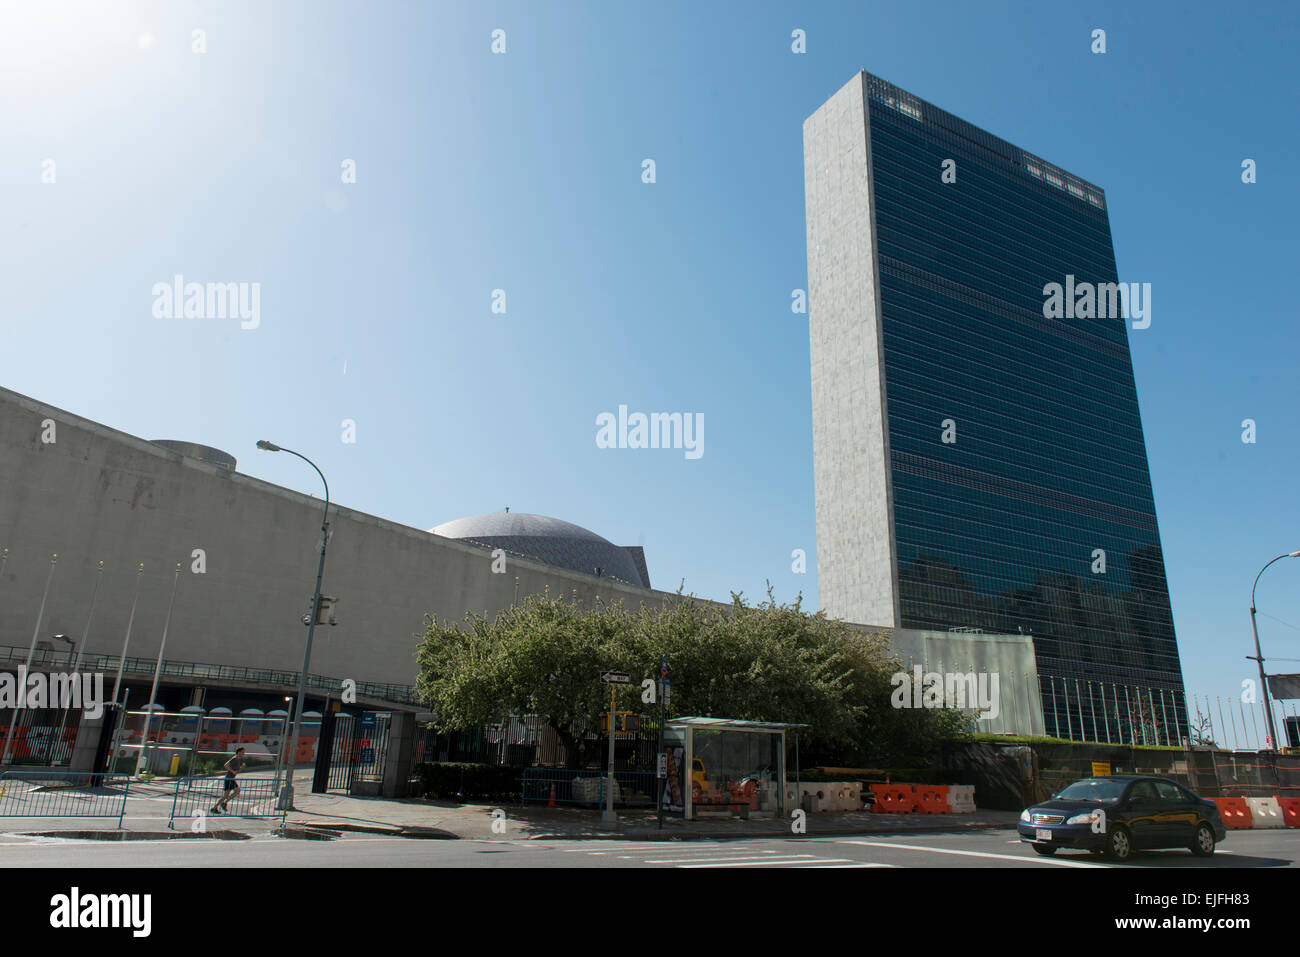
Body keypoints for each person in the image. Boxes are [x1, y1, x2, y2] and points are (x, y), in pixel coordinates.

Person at [210, 747, 247, 814]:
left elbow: (237, 771)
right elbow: (226, 765)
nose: (243, 753)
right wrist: (232, 771)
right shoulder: (234, 758)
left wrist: (241, 767)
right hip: (229, 778)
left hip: (231, 778)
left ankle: (216, 807)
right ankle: (222, 804)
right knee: (235, 791)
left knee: (227, 795)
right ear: (239, 752)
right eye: (242, 752)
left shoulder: (238, 760)